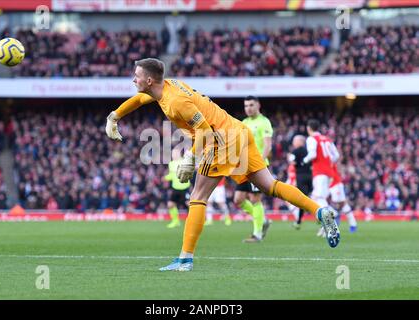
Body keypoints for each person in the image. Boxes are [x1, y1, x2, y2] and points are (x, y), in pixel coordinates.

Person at [105, 58, 340, 272]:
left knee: (197, 197)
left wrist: (190, 158)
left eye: (136, 75)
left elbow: (205, 131)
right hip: (239, 131)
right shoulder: (166, 87)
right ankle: (320, 211)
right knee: (271, 186)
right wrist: (114, 116)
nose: (133, 79)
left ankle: (185, 259)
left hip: (220, 140)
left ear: (148, 80)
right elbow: (140, 99)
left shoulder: (175, 100)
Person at [234, 96, 272, 243]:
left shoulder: (264, 122)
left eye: (251, 105)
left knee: (255, 199)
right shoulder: (244, 123)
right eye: (246, 106)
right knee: (238, 199)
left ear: (258, 105)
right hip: (244, 165)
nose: (248, 108)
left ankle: (257, 234)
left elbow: (267, 145)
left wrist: (260, 163)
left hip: (257, 166)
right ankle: (263, 220)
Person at [302, 119, 340, 237]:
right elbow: (336, 156)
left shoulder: (311, 139)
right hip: (328, 172)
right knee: (317, 197)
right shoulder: (327, 139)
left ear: (309, 128)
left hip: (319, 172)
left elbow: (312, 154)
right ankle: (326, 226)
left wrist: (304, 161)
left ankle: (332, 214)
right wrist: (328, 163)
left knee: (318, 198)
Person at [288, 135, 313, 230]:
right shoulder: (308, 151)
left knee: (302, 199)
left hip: (301, 177)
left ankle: (299, 221)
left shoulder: (295, 151)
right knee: (312, 196)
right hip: (311, 176)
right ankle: (300, 219)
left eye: (295, 141)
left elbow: (293, 162)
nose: (293, 143)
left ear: (300, 142)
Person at [164, 148, 191, 228]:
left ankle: (194, 221)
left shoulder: (184, 161)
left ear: (179, 154)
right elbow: (172, 175)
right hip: (175, 188)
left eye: (175, 153)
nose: (173, 155)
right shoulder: (171, 164)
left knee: (189, 205)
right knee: (170, 205)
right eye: (172, 154)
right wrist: (165, 178)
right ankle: (176, 221)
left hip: (184, 187)